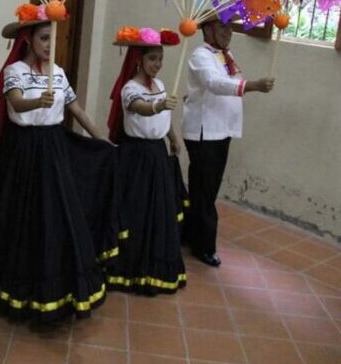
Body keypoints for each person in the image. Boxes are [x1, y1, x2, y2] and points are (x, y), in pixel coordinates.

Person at [0, 3, 119, 321]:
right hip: (25, 151)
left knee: (58, 211)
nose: (50, 45)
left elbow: (76, 110)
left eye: (53, 39)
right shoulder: (13, 72)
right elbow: (15, 102)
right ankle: (13, 285)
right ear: (28, 40)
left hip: (54, 147)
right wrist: (35, 100)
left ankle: (59, 283)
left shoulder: (58, 74)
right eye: (44, 38)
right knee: (21, 213)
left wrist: (100, 139)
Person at [182, 17, 274, 267]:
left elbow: (219, 84)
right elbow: (214, 83)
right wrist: (252, 85)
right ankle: (204, 246)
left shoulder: (224, 55)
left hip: (221, 131)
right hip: (205, 132)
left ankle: (188, 234)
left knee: (204, 188)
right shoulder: (201, 55)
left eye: (230, 27)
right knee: (205, 190)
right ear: (207, 29)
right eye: (222, 27)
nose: (228, 32)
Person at [106, 27, 187, 295]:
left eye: (160, 58)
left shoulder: (162, 85)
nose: (158, 64)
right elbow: (137, 107)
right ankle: (131, 268)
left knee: (160, 210)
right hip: (136, 156)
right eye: (152, 58)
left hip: (157, 153)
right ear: (138, 59)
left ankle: (156, 267)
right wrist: (158, 106)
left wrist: (173, 138)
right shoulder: (130, 88)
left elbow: (165, 120)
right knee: (137, 209)